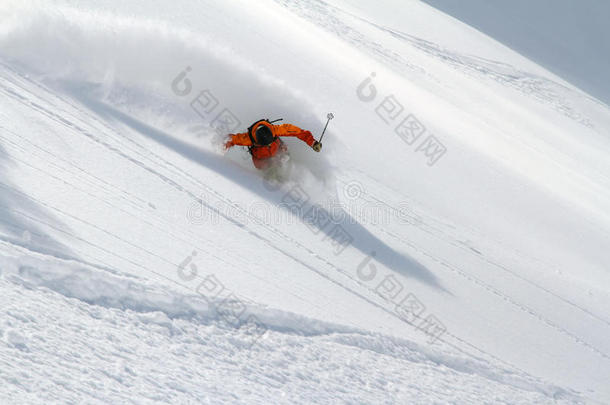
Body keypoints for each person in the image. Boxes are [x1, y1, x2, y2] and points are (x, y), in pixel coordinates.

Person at [224, 119, 322, 170]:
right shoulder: (248, 139)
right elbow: (231, 139)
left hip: (277, 150)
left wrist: (313, 143)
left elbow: (298, 132)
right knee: (268, 169)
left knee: (284, 154)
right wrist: (222, 146)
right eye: (264, 144)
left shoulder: (276, 130)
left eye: (270, 142)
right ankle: (272, 173)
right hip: (262, 159)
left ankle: (284, 162)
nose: (268, 145)